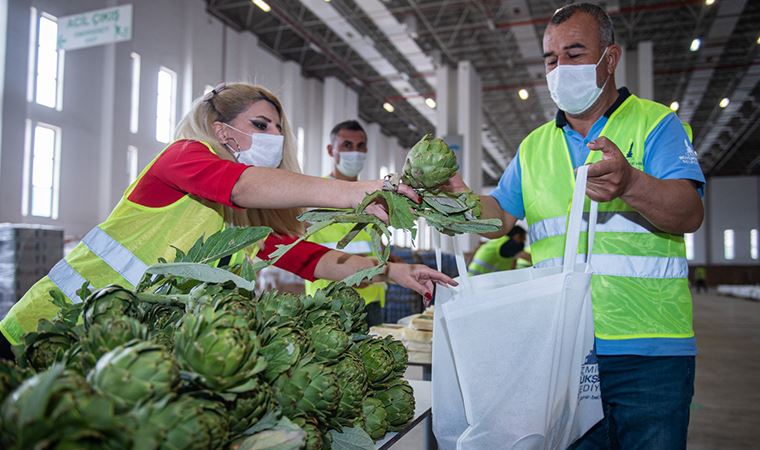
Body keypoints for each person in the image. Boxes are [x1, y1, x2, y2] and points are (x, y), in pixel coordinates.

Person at [0, 82, 456, 355]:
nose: (274, 136)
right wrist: (360, 190)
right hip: (49, 325)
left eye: (278, 128)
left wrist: (394, 270)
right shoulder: (183, 158)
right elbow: (239, 184)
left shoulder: (237, 224)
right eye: (261, 125)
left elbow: (308, 259)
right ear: (221, 129)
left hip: (115, 349)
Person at [446, 4, 705, 448]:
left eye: (575, 53)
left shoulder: (655, 124)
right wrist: (455, 201)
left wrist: (632, 183)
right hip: (564, 350)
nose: (560, 68)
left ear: (610, 58)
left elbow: (689, 212)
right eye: (551, 59)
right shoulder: (534, 147)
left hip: (649, 350)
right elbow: (497, 220)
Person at [304, 120, 388, 326]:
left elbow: (376, 246)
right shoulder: (313, 194)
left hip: (371, 301)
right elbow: (303, 250)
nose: (355, 152)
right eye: (347, 145)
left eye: (360, 147)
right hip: (329, 302)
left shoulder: (373, 197)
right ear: (331, 150)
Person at [467, 226, 531, 275]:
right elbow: (526, 256)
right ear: (517, 236)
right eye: (523, 238)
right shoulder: (509, 245)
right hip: (481, 278)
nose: (524, 241)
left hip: (475, 276)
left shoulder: (498, 240)